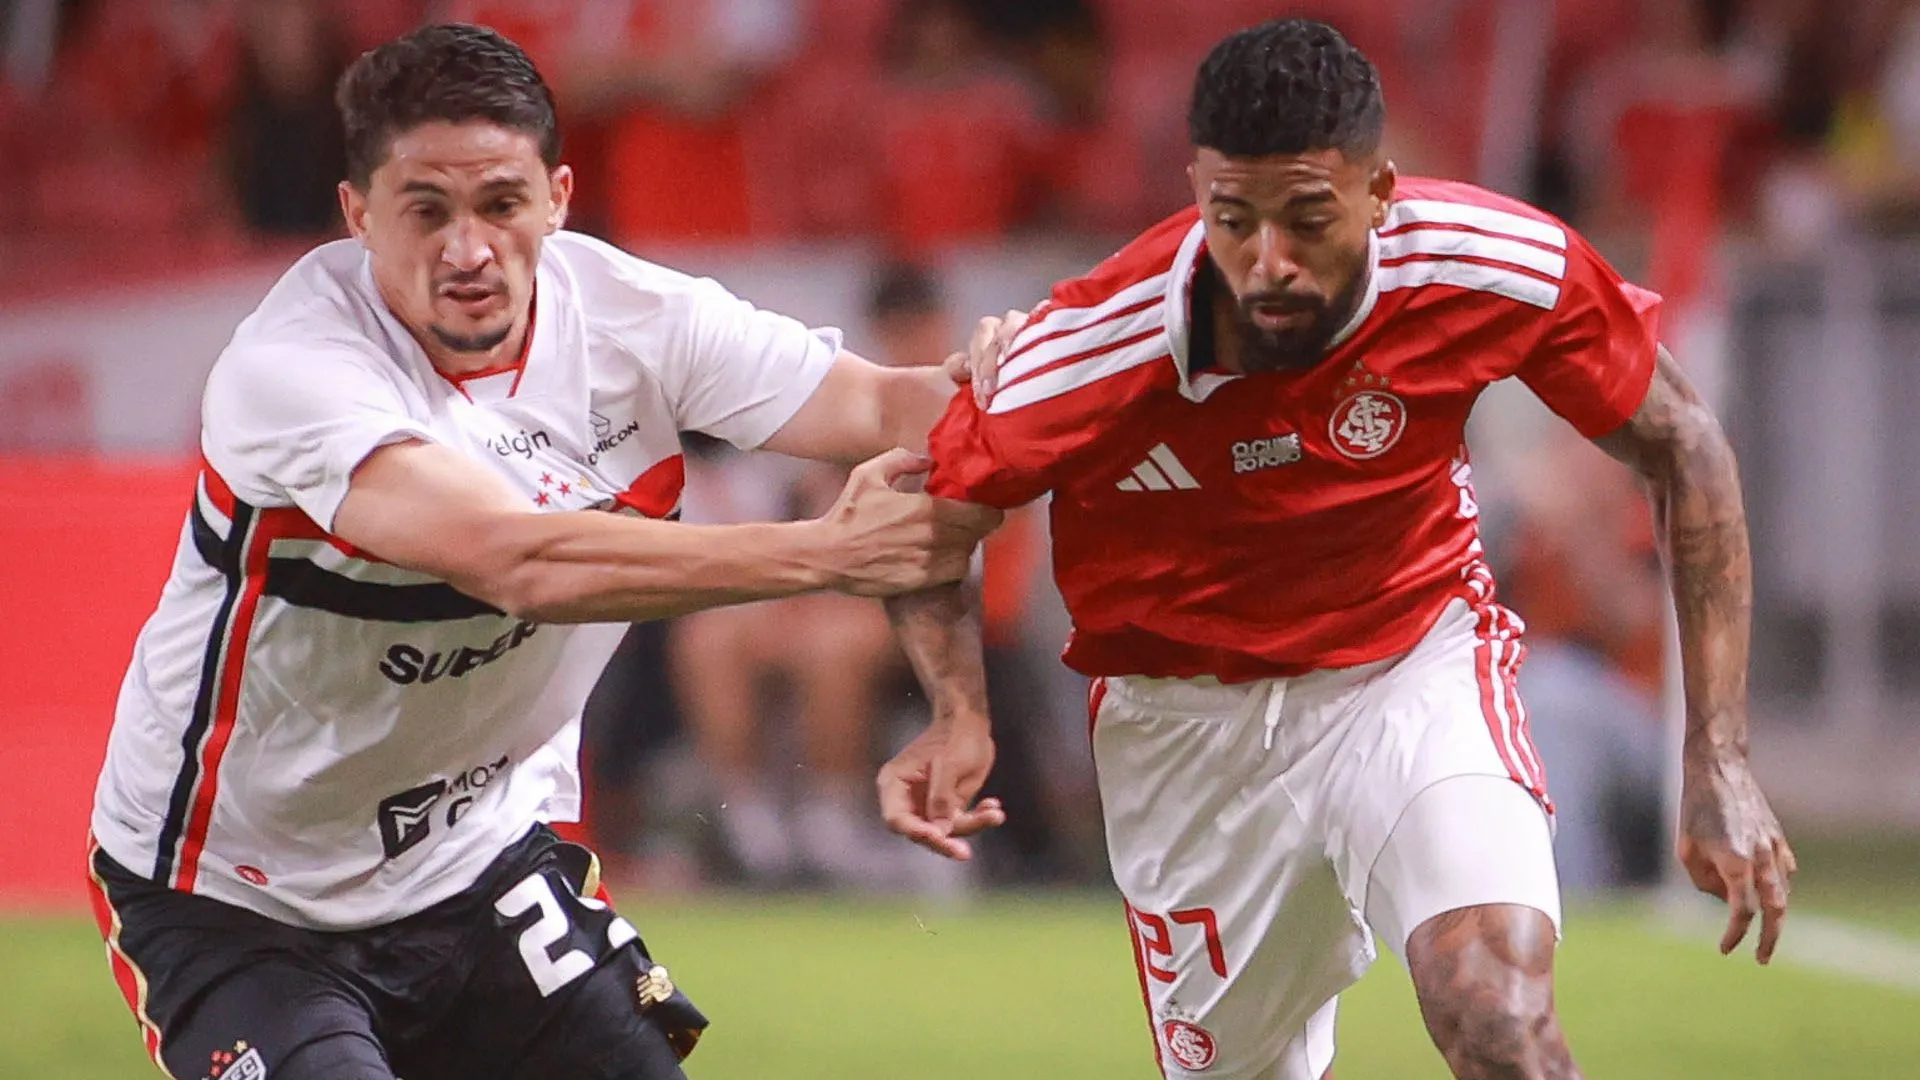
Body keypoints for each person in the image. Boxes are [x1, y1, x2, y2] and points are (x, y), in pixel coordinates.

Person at [879, 18, 1795, 1080]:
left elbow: (1684, 441)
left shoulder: (1490, 266)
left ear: (1379, 191)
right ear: (1196, 191)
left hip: (1409, 675)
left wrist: (1719, 753)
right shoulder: (1090, 350)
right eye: (1233, 218)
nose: (1269, 261)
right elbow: (935, 510)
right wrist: (955, 709)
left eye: (1308, 215)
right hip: (1188, 740)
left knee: (1498, 1013)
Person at [84, 24, 998, 1080]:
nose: (467, 249)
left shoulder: (639, 321)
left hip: (475, 871)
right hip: (236, 897)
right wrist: (826, 553)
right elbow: (519, 562)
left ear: (558, 198)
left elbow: (896, 413)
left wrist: (1010, 378)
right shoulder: (294, 369)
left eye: (501, 205)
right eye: (425, 210)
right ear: (356, 215)